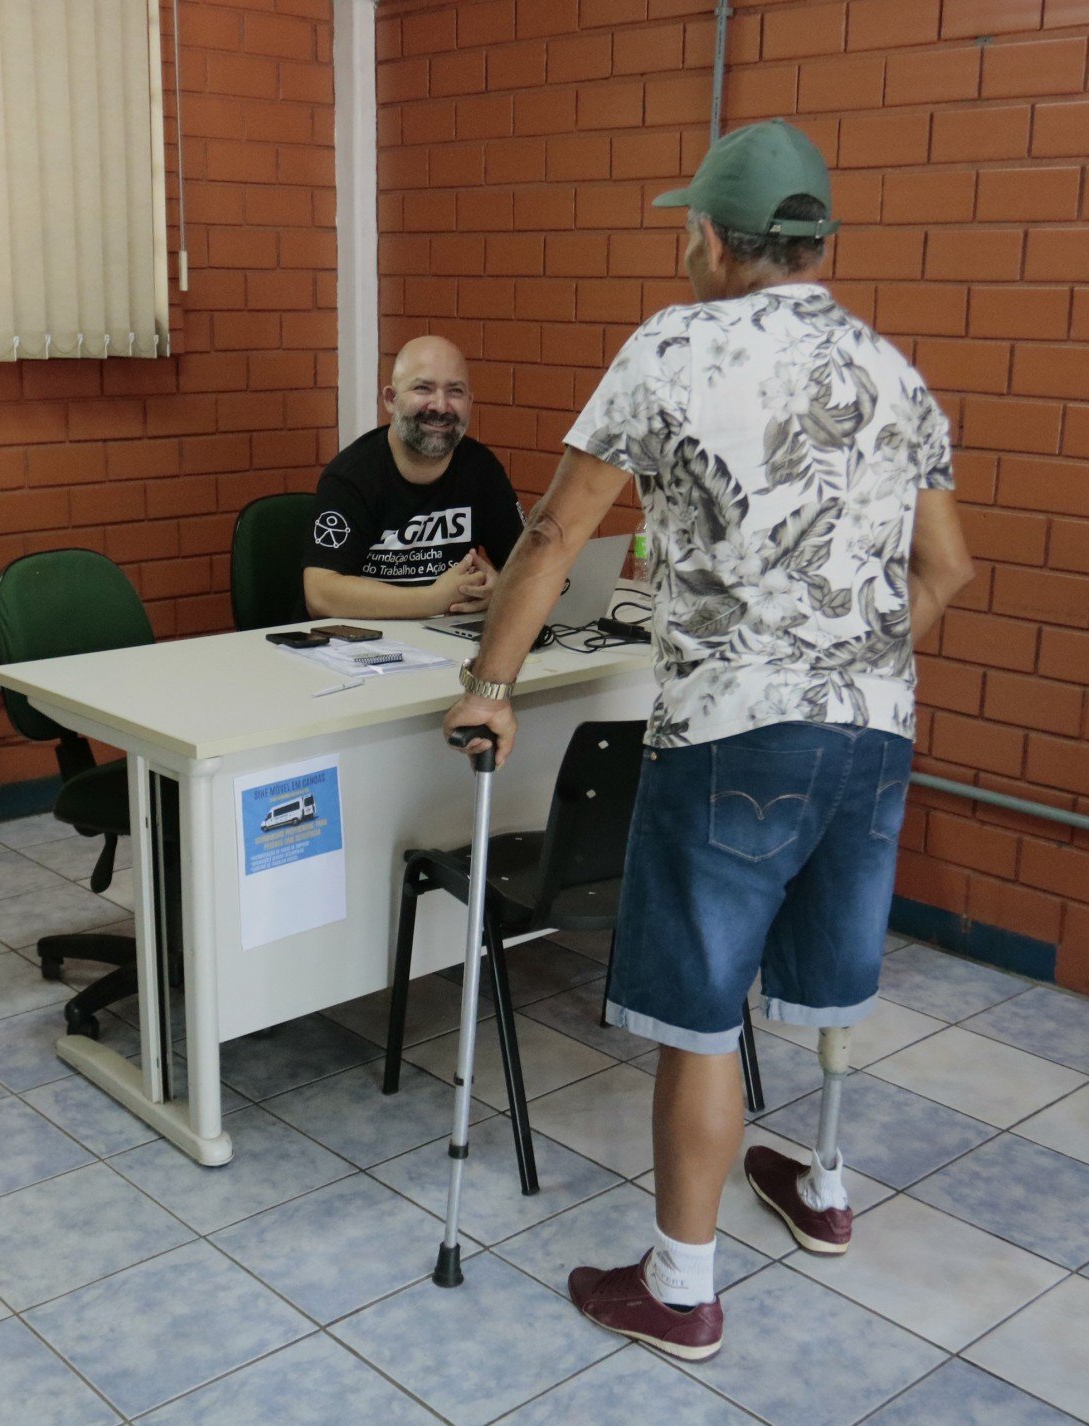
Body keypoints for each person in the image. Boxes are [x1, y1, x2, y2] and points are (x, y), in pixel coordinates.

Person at [440, 119, 974, 1360]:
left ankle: (680, 1286)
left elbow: (556, 536)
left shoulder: (670, 346)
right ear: (818, 240)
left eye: (688, 227)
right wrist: (854, 660)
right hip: (875, 731)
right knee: (832, 971)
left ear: (714, 241)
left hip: (733, 734)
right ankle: (825, 1189)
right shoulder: (894, 371)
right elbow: (946, 566)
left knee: (701, 1012)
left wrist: (491, 684)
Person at [302, 335, 525, 620]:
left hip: (444, 641)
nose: (440, 406)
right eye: (423, 388)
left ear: (469, 402)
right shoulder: (351, 476)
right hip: (354, 647)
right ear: (391, 400)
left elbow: (527, 566)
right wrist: (432, 599)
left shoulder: (481, 469)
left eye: (455, 391)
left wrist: (500, 588)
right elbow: (320, 594)